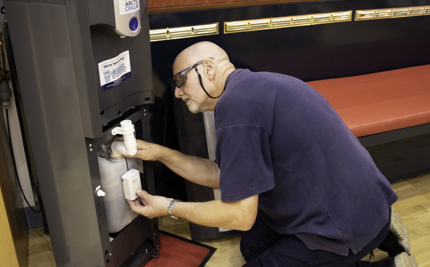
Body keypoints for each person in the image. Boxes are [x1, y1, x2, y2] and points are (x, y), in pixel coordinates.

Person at [119, 41, 417, 267]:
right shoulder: (254, 87)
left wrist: (168, 207)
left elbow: (239, 215)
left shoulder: (237, 107)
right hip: (363, 203)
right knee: (252, 248)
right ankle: (380, 231)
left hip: (342, 228)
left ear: (207, 69)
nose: (177, 92)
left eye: (179, 80)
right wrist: (159, 153)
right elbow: (223, 177)